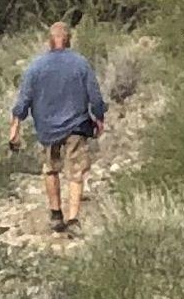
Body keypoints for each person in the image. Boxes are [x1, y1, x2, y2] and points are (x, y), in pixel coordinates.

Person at [9, 18, 110, 237]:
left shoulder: (36, 67)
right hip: (76, 125)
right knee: (76, 172)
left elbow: (24, 99)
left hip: (47, 128)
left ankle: (56, 214)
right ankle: (73, 219)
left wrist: (15, 127)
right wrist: (99, 118)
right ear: (69, 40)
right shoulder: (80, 64)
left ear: (49, 41)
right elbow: (94, 95)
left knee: (50, 169)